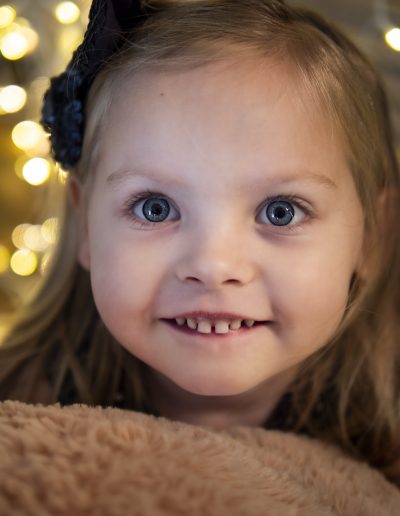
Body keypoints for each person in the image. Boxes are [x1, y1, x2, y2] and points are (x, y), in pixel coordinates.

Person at [0, 0, 399, 488]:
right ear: (85, 225)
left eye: (281, 211)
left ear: (371, 237)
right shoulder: (19, 420)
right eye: (155, 208)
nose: (212, 265)